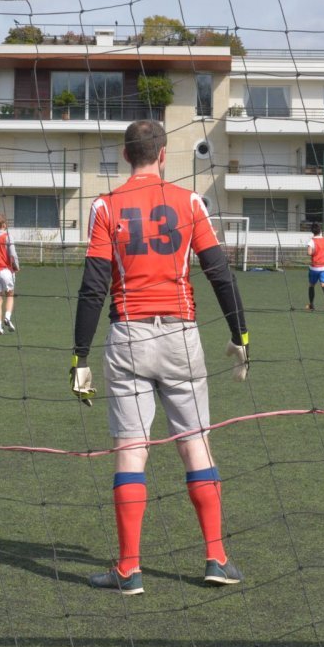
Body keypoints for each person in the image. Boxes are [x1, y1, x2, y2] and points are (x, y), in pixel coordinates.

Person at [70, 119, 250, 595]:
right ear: (164, 154)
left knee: (131, 450)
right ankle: (216, 558)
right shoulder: (190, 203)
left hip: (126, 337)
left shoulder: (105, 206)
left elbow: (93, 288)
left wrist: (79, 357)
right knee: (195, 444)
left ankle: (129, 570)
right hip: (181, 337)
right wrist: (240, 334)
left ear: (126, 155)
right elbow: (220, 274)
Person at [306, 222, 324, 313]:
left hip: (315, 267)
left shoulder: (311, 241)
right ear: (320, 230)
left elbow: (309, 253)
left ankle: (312, 305)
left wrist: (315, 252)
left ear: (312, 231)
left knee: (311, 285)